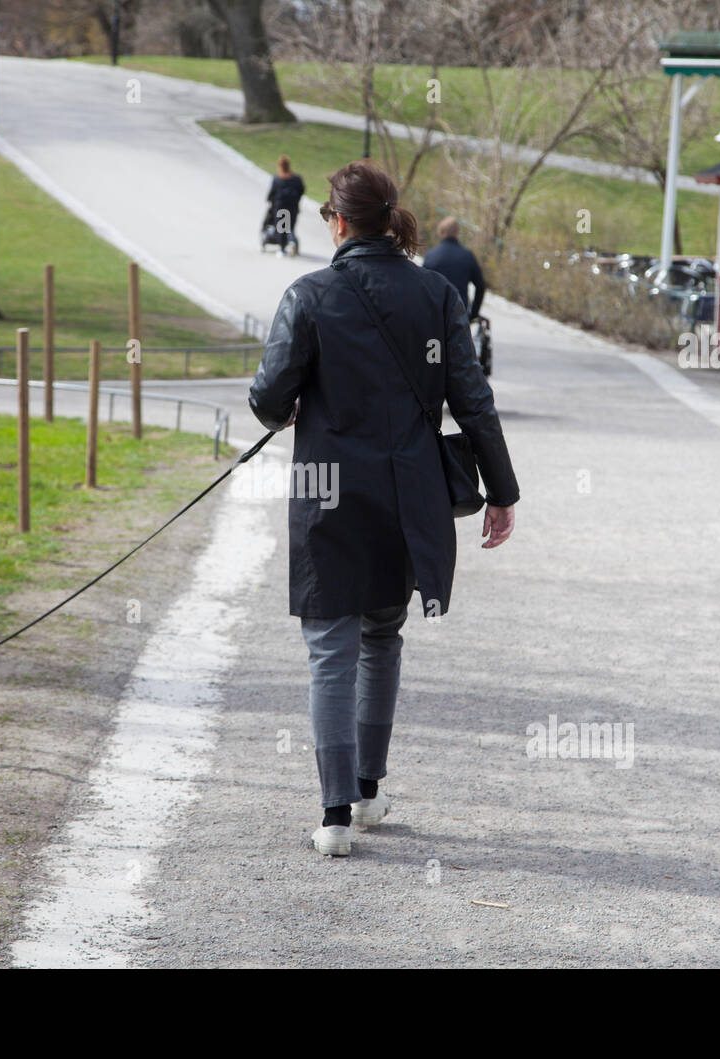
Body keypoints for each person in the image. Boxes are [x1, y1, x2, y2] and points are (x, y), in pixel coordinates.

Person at [249, 161, 519, 857]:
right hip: (406, 492)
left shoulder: (307, 294)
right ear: (389, 217)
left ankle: (335, 814)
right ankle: (367, 789)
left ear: (336, 221)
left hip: (327, 491)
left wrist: (297, 402)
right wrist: (502, 490)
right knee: (381, 635)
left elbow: (268, 398)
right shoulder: (435, 294)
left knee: (329, 647)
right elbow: (473, 397)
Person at [423, 217, 486, 320]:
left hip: (433, 313)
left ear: (441, 232)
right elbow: (481, 287)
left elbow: (422, 286)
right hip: (458, 314)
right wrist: (473, 314)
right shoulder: (467, 256)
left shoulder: (431, 255)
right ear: (457, 233)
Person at [264, 156, 304, 255]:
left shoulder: (277, 179)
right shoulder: (296, 178)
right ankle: (291, 241)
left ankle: (282, 248)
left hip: (280, 207)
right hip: (293, 207)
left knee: (281, 228)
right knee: (290, 227)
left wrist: (269, 202)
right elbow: (301, 190)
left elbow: (272, 193)